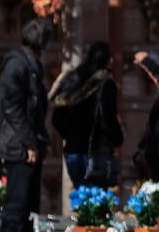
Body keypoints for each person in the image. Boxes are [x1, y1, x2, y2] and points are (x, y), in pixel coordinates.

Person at [0, 18, 54, 232]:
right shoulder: (17, 64)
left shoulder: (32, 64)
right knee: (17, 202)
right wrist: (29, 144)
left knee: (29, 205)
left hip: (30, 141)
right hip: (18, 144)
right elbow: (12, 107)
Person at [49, 41, 123, 186]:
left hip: (73, 151)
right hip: (95, 151)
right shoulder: (105, 83)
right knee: (96, 196)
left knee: (81, 194)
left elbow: (56, 118)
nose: (113, 60)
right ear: (105, 60)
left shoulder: (74, 80)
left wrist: (70, 135)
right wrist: (117, 140)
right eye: (110, 57)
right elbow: (107, 117)